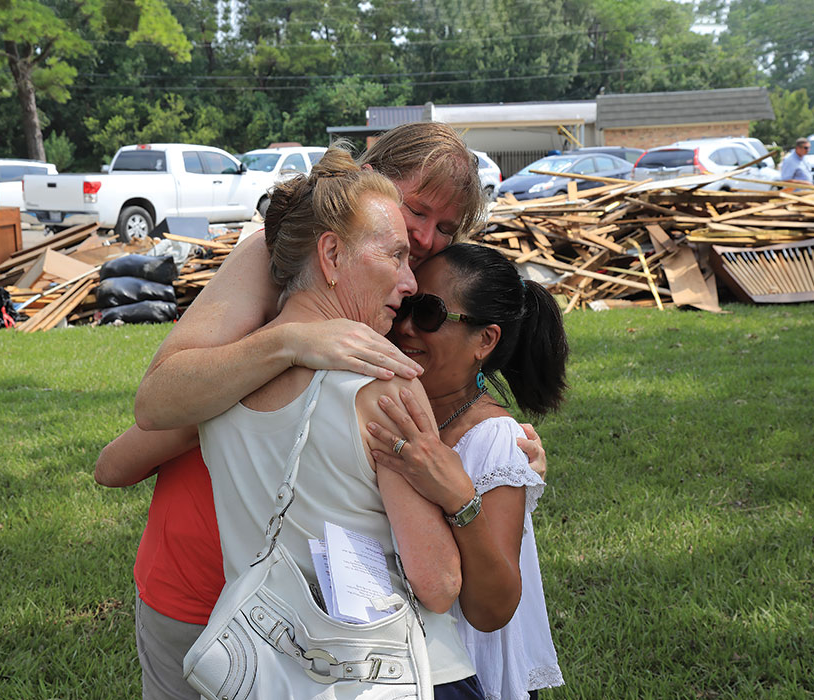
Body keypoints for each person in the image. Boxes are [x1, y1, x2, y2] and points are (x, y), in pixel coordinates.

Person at [95, 123, 545, 699]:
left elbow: (414, 409)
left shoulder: (392, 299)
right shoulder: (280, 253)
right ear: (369, 181)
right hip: (208, 577)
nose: (426, 237)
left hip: (329, 621)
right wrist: (288, 346)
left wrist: (496, 445)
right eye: (416, 209)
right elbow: (151, 413)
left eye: (446, 228)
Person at [200, 146, 492, 697]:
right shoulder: (387, 385)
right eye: (395, 256)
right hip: (405, 674)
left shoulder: (221, 380)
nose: (410, 282)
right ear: (331, 255)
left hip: (272, 676)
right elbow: (438, 583)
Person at [365, 243, 567, 699]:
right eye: (406, 305)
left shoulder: (495, 440)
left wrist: (458, 497)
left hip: (468, 675)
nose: (405, 326)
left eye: (430, 314)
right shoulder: (411, 408)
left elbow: (494, 607)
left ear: (485, 341)